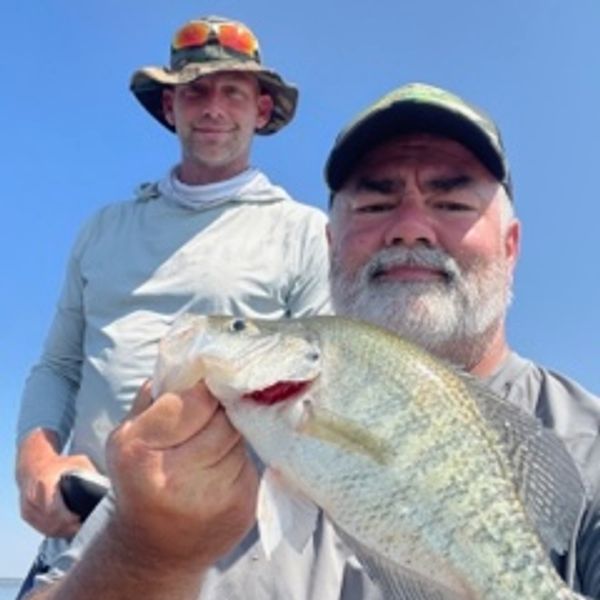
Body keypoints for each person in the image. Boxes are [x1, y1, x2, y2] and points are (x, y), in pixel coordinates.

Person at [23, 83, 600, 599]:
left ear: (511, 246)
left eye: (451, 202)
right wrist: (146, 554)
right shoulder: (198, 454)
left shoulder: (588, 447)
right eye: (375, 204)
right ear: (328, 248)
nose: (410, 226)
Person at [14, 14, 331, 598]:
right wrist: (34, 462)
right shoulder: (102, 230)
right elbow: (58, 367)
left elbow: (317, 397)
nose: (213, 107)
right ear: (170, 109)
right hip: (84, 541)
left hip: (228, 559)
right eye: (195, 92)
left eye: (233, 92)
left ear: (260, 111)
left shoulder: (306, 233)